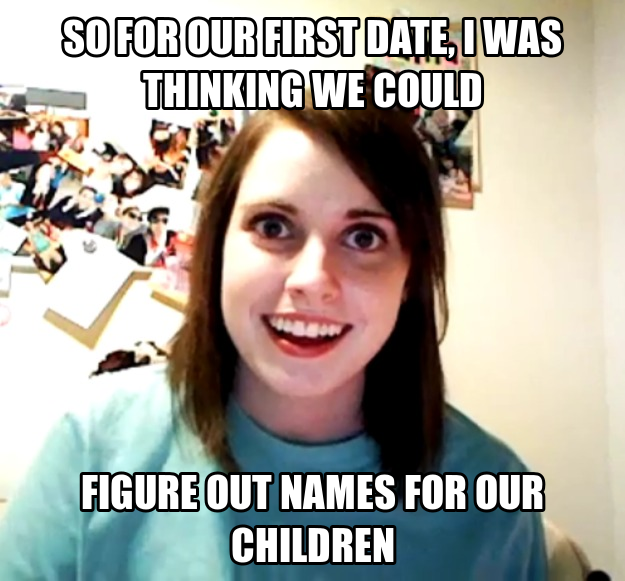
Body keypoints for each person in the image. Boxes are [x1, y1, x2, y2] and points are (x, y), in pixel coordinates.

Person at [0, 91, 547, 580]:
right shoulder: (95, 446)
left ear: (411, 276)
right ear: (218, 249)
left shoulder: (493, 505)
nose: (312, 280)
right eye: (273, 227)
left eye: (364, 236)